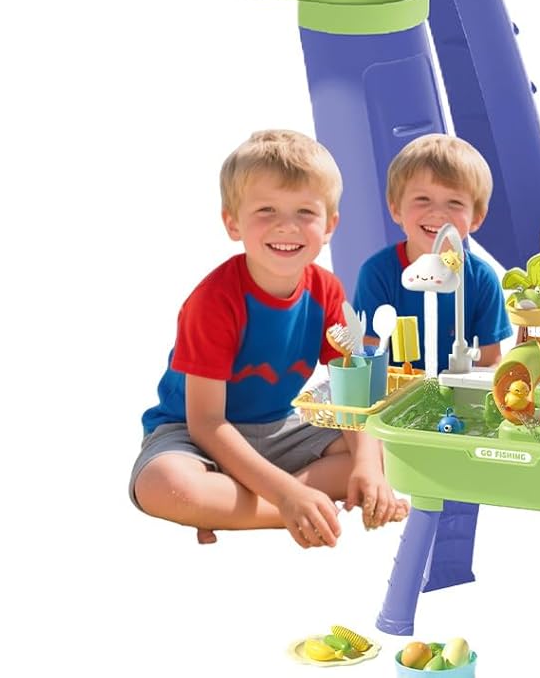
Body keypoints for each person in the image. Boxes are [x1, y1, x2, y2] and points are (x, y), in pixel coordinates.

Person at [130, 130, 407, 547]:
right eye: (266, 210)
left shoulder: (326, 290)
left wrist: (367, 466)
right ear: (232, 222)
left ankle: (247, 503)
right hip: (193, 432)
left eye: (304, 212)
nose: (286, 226)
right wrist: (286, 494)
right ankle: (290, 509)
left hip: (279, 429)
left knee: (388, 452)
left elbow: (352, 390)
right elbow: (206, 423)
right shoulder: (214, 301)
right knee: (164, 485)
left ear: (330, 225)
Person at [352, 134, 510, 372]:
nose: (437, 213)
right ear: (396, 208)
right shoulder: (377, 273)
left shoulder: (481, 278)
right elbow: (368, 360)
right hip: (396, 391)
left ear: (476, 217)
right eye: (422, 199)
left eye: (454, 202)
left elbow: (489, 362)